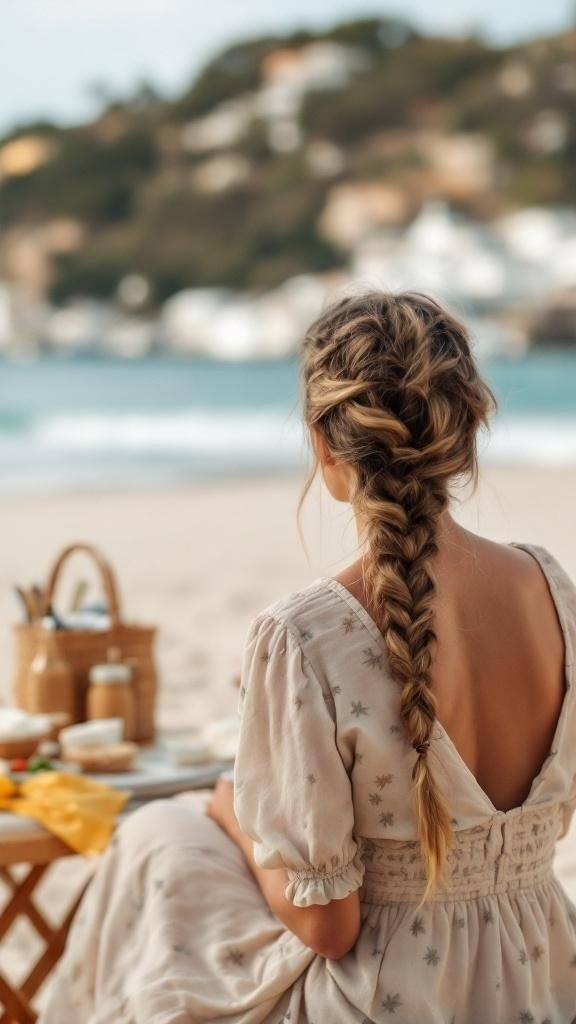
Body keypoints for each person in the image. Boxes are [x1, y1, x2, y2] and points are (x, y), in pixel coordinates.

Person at [40, 292, 576, 1023]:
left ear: (325, 444)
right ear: (468, 429)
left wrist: (236, 825)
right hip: (540, 978)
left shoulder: (304, 634)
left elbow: (330, 928)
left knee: (157, 836)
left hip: (387, 1000)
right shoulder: (550, 586)